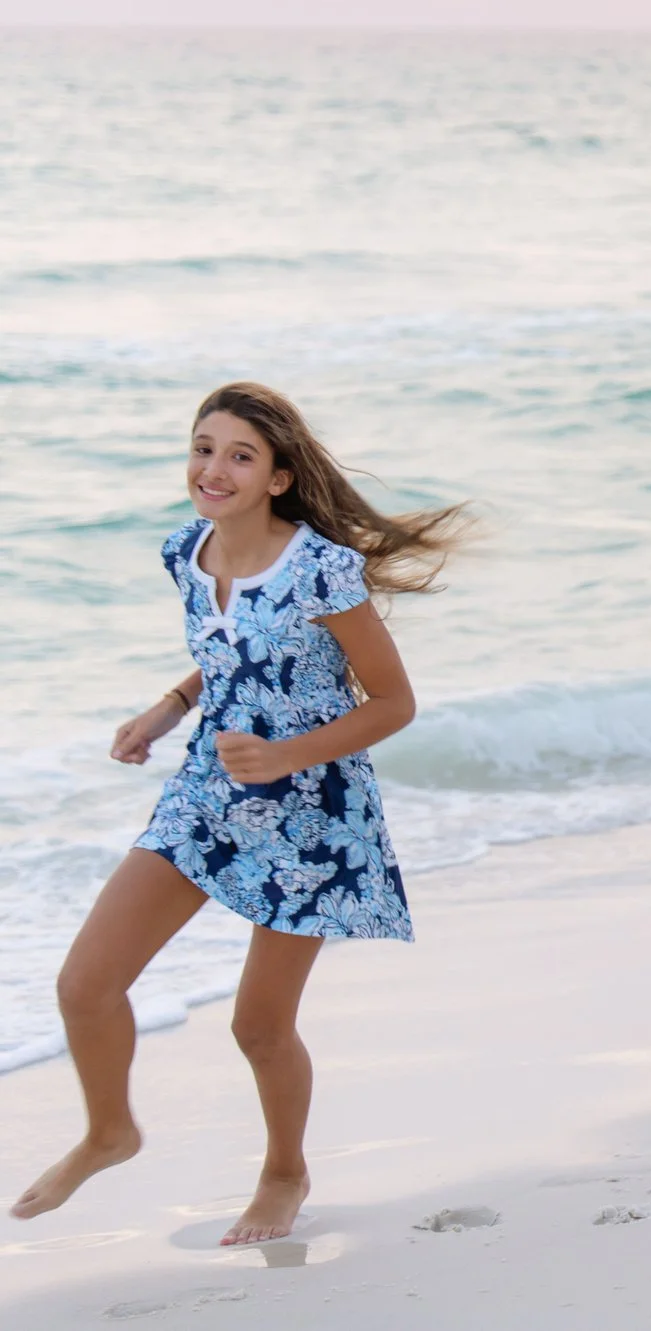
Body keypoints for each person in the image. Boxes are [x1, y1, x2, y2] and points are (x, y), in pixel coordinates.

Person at [10, 382, 460, 1244]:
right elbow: (222, 656)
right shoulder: (188, 552)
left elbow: (394, 701)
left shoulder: (320, 568)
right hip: (207, 796)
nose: (212, 468)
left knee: (258, 1023)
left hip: (312, 811)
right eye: (202, 446)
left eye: (239, 455)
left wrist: (287, 754)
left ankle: (285, 1171)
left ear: (279, 479)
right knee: (85, 985)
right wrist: (167, 709)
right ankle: (111, 1129)